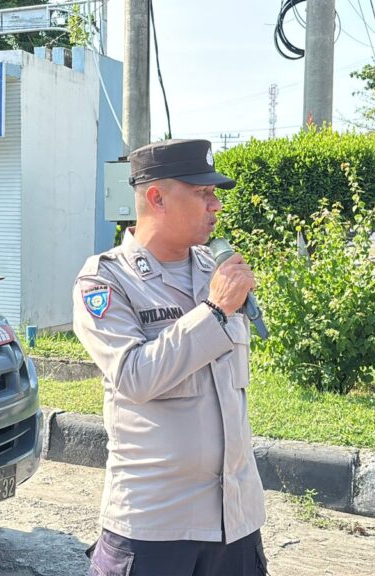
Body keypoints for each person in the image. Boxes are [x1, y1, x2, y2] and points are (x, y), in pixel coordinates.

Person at [73, 139, 267, 576]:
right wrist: (214, 312)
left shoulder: (215, 269)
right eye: (202, 193)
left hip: (235, 521)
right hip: (155, 526)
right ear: (157, 198)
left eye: (214, 193)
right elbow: (133, 375)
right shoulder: (106, 281)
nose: (216, 205)